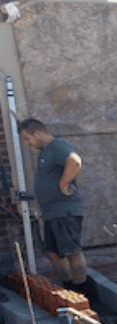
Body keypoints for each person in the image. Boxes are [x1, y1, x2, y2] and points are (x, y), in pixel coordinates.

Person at [17, 118, 93, 299]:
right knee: (53, 253)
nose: (28, 144)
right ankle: (69, 288)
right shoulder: (45, 151)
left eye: (28, 139)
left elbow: (74, 161)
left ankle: (84, 292)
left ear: (38, 134)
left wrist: (63, 183)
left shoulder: (57, 145)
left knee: (72, 251)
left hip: (64, 210)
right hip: (52, 213)